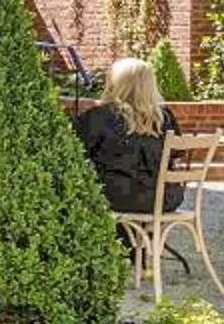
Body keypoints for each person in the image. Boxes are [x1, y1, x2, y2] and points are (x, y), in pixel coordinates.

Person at [75, 57, 182, 216]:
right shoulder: (164, 118)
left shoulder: (100, 116)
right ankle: (144, 239)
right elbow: (176, 155)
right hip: (165, 198)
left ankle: (123, 240)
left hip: (116, 196)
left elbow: (76, 153)